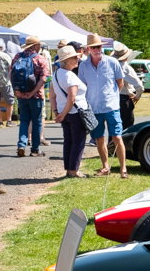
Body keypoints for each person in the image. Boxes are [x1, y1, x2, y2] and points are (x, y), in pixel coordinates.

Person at [77, 33, 127, 178]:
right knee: (99, 138)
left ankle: (123, 169)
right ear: (88, 49)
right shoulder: (84, 66)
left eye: (98, 46)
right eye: (93, 47)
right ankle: (105, 167)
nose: (96, 49)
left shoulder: (112, 62)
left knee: (117, 137)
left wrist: (112, 97)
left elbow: (120, 83)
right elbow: (82, 86)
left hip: (111, 107)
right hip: (94, 107)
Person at [50, 45, 89, 178]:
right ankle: (73, 170)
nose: (77, 59)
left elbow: (52, 96)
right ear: (66, 61)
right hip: (74, 113)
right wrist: (63, 113)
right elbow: (72, 98)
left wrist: (57, 112)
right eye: (74, 58)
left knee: (68, 141)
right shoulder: (70, 76)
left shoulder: (56, 75)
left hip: (64, 113)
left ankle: (69, 168)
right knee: (78, 141)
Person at [12, 34, 50, 158]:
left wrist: (17, 91)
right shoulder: (40, 59)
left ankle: (21, 145)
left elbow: (10, 74)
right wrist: (33, 93)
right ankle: (35, 149)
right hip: (36, 96)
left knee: (24, 120)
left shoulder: (17, 57)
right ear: (36, 46)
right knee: (37, 122)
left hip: (21, 95)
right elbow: (43, 79)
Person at [112, 42, 142, 129]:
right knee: (126, 128)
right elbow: (139, 86)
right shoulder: (126, 68)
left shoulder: (110, 66)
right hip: (124, 99)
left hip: (113, 99)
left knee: (114, 127)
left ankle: (112, 142)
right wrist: (137, 96)